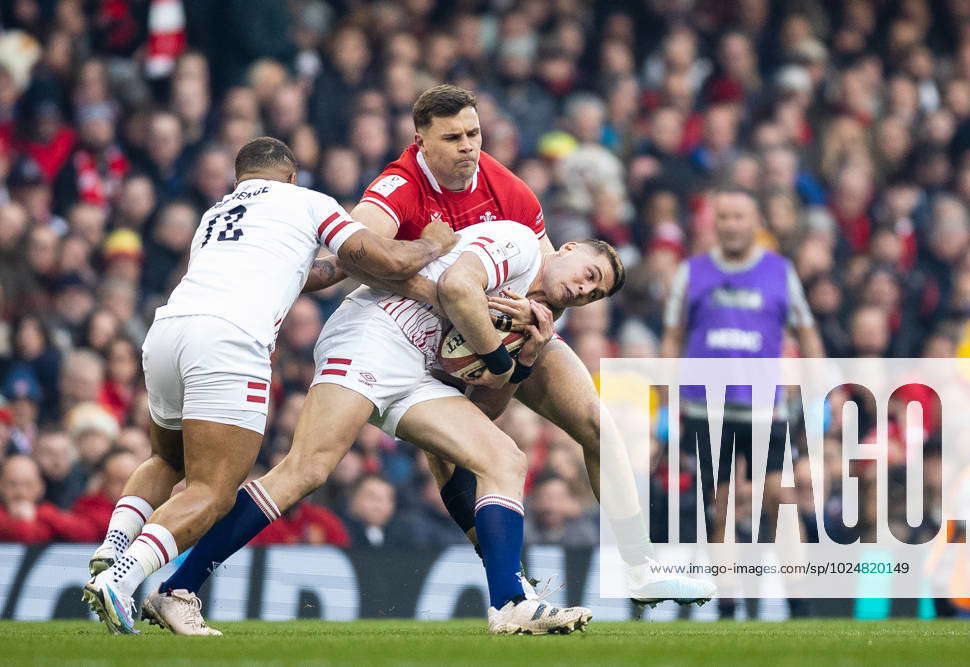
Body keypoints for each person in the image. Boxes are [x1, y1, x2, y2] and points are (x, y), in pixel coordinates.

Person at [142, 221, 635, 635]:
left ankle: (509, 603)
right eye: (589, 274)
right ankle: (176, 588)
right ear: (567, 249)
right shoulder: (520, 244)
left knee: (504, 458)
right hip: (372, 334)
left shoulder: (542, 319)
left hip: (415, 370)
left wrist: (525, 356)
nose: (586, 289)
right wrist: (500, 358)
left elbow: (488, 401)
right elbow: (458, 285)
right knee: (307, 469)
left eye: (596, 292)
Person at [325, 84, 697, 605]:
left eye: (474, 134)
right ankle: (509, 579)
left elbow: (554, 285)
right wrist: (438, 293)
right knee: (455, 457)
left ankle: (639, 568)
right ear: (421, 140)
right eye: (453, 136)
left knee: (597, 423)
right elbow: (356, 252)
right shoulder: (398, 186)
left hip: (502, 335)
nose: (468, 146)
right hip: (415, 335)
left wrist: (530, 336)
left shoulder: (512, 193)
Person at [82, 136, 458, 635]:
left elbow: (301, 274)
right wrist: (433, 243)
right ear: (290, 174)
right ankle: (124, 579)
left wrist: (345, 266)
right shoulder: (307, 201)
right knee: (213, 491)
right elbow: (386, 261)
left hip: (168, 332)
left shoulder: (216, 215)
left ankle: (113, 544)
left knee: (167, 459)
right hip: (230, 342)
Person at [660, 185, 824, 548]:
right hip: (707, 408)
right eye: (723, 217)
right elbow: (673, 337)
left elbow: (808, 333)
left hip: (766, 408)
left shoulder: (780, 271)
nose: (731, 225)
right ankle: (728, 604)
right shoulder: (692, 273)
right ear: (713, 223)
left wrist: (818, 396)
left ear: (756, 222)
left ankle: (798, 604)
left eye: (739, 217)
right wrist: (666, 401)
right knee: (723, 506)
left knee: (781, 500)